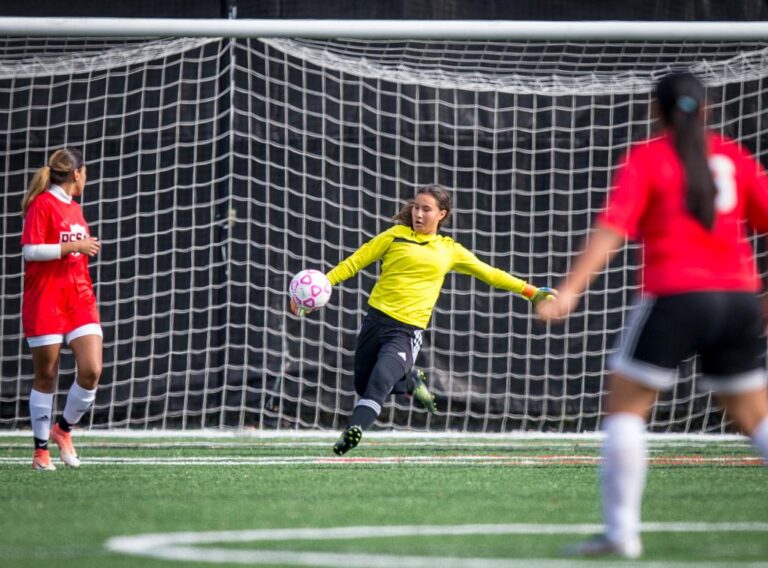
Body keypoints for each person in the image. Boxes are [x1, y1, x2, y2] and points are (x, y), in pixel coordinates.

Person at [536, 71, 768, 558]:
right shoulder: (734, 156)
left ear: (655, 112)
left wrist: (570, 290)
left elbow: (612, 229)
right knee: (755, 418)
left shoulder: (650, 157)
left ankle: (621, 535)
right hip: (739, 300)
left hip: (677, 297)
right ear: (706, 111)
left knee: (626, 410)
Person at [293, 184, 556, 455]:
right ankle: (410, 381)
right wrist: (314, 293)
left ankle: (353, 431)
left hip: (406, 331)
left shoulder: (449, 250)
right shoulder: (394, 236)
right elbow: (354, 263)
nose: (418, 214)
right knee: (362, 383)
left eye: (426, 209)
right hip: (375, 322)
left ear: (442, 214)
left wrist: (531, 292)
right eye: (416, 207)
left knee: (379, 383)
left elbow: (491, 274)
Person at [21, 148, 103, 470]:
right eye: (85, 172)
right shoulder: (42, 204)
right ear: (76, 174)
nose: (86, 178)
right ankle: (40, 451)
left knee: (92, 369)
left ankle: (63, 430)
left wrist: (80, 250)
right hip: (46, 300)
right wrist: (75, 246)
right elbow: (31, 251)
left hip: (80, 299)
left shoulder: (76, 209)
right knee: (47, 376)